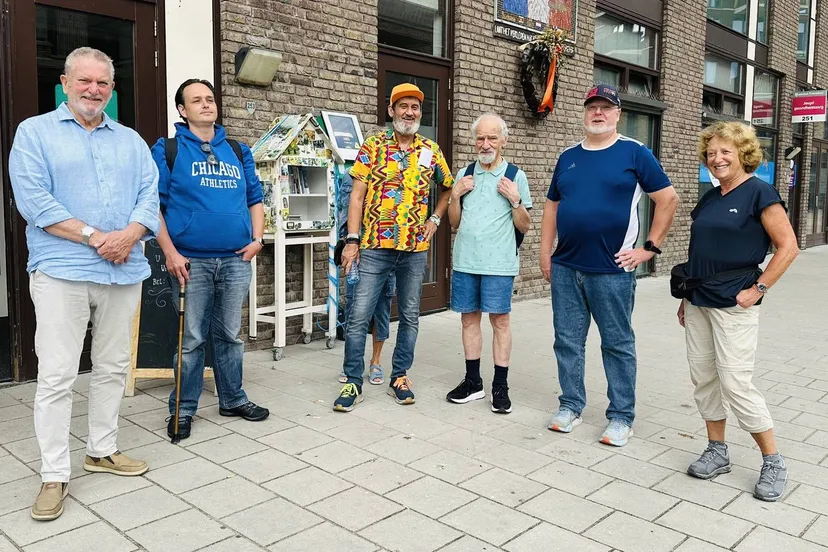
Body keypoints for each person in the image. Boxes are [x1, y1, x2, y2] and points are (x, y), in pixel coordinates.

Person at [9, 47, 159, 521]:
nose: (94, 90)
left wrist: (132, 234)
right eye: (85, 81)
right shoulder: (33, 133)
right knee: (56, 375)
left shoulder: (131, 140)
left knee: (114, 365)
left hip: (123, 269)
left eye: (103, 83)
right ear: (65, 82)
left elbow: (149, 194)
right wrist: (98, 237)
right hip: (62, 271)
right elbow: (34, 202)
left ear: (112, 89)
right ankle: (54, 474)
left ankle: (102, 449)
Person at [540, 84, 678, 446]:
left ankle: (621, 417)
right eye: (592, 108)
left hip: (613, 270)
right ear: (584, 113)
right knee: (567, 341)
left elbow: (667, 199)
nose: (598, 113)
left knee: (616, 343)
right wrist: (544, 252)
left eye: (606, 108)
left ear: (618, 114)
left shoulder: (635, 153)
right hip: (567, 267)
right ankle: (570, 405)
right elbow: (552, 206)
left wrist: (649, 248)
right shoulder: (568, 156)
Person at [678, 121, 798, 501]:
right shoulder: (711, 197)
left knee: (735, 381)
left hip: (734, 303)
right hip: (698, 300)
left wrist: (758, 289)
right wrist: (685, 299)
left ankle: (773, 459)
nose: (717, 159)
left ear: (744, 154)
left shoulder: (760, 193)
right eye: (712, 153)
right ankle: (717, 451)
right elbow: (699, 251)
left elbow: (788, 247)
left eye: (726, 151)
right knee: (704, 378)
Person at [151, 79, 269, 440]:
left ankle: (232, 398)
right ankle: (183, 408)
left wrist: (257, 240)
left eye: (210, 99)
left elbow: (255, 198)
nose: (206, 105)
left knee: (230, 335)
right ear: (182, 110)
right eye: (196, 100)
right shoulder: (168, 149)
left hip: (236, 259)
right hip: (191, 262)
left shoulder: (237, 149)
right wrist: (170, 252)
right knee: (192, 339)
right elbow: (152, 204)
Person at [333, 83, 453, 411]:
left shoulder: (430, 150)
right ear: (391, 111)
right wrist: (352, 241)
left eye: (415, 107)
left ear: (420, 113)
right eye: (403, 106)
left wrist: (435, 220)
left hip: (414, 248)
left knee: (411, 315)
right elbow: (356, 197)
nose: (409, 112)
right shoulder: (372, 147)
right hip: (373, 245)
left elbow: (448, 188)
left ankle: (399, 376)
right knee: (359, 315)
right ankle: (353, 382)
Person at [445, 113, 532, 414]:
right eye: (480, 138)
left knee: (500, 323)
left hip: (498, 264)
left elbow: (525, 226)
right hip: (466, 261)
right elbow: (454, 223)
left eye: (492, 137)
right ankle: (473, 382)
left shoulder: (515, 176)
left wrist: (515, 201)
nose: (485, 143)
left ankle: (500, 386)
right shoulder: (464, 173)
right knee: (468, 319)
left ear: (503, 141)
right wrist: (454, 196)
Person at [336, 173, 396, 385]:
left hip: (387, 250)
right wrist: (348, 244)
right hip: (360, 252)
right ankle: (351, 364)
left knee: (382, 309)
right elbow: (345, 215)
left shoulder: (398, 172)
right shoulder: (351, 176)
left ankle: (376, 361)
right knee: (354, 311)